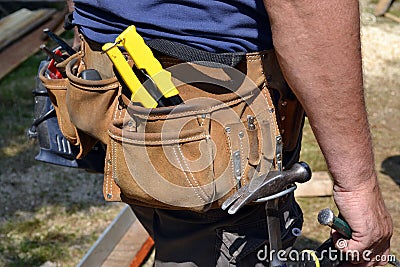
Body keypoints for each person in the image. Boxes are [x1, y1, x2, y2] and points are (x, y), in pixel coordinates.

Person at [67, 0, 393, 266]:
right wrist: (357, 186)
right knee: (213, 245)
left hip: (102, 66)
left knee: (183, 238)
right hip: (211, 95)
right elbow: (305, 10)